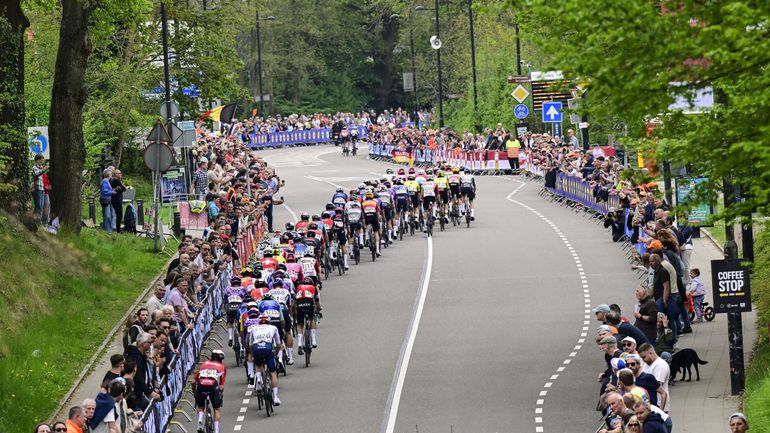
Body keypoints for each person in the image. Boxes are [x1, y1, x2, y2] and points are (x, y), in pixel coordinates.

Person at [247, 314, 283, 406]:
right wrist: (275, 354)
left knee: (258, 365)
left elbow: (250, 345)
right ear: (269, 321)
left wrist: (253, 354)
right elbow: (279, 344)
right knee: (273, 372)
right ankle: (275, 397)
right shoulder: (273, 327)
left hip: (257, 347)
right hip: (268, 347)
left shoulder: (254, 328)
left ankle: (258, 379)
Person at [192, 349, 226, 433]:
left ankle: (200, 421)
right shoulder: (222, 367)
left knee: (200, 407)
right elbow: (221, 386)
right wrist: (220, 395)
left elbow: (193, 381)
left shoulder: (204, 364)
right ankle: (216, 431)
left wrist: (195, 393)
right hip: (212, 385)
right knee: (217, 409)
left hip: (201, 384)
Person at [639, 342, 671, 413]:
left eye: (644, 357)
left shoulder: (661, 365)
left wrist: (661, 411)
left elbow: (657, 385)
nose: (643, 360)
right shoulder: (647, 364)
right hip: (649, 404)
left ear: (650, 353)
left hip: (659, 404)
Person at [32, 154, 49, 224]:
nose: (42, 162)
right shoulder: (34, 167)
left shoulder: (40, 168)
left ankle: (38, 222)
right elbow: (36, 174)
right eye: (41, 161)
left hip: (41, 190)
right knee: (38, 207)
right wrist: (44, 169)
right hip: (37, 190)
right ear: (37, 160)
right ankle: (36, 223)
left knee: (41, 208)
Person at [99, 169, 116, 234]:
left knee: (107, 215)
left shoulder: (107, 181)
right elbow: (105, 191)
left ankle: (107, 229)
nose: (111, 175)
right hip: (105, 200)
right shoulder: (105, 181)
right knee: (107, 215)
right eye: (111, 174)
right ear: (108, 175)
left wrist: (113, 190)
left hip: (108, 200)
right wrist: (112, 192)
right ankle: (108, 230)